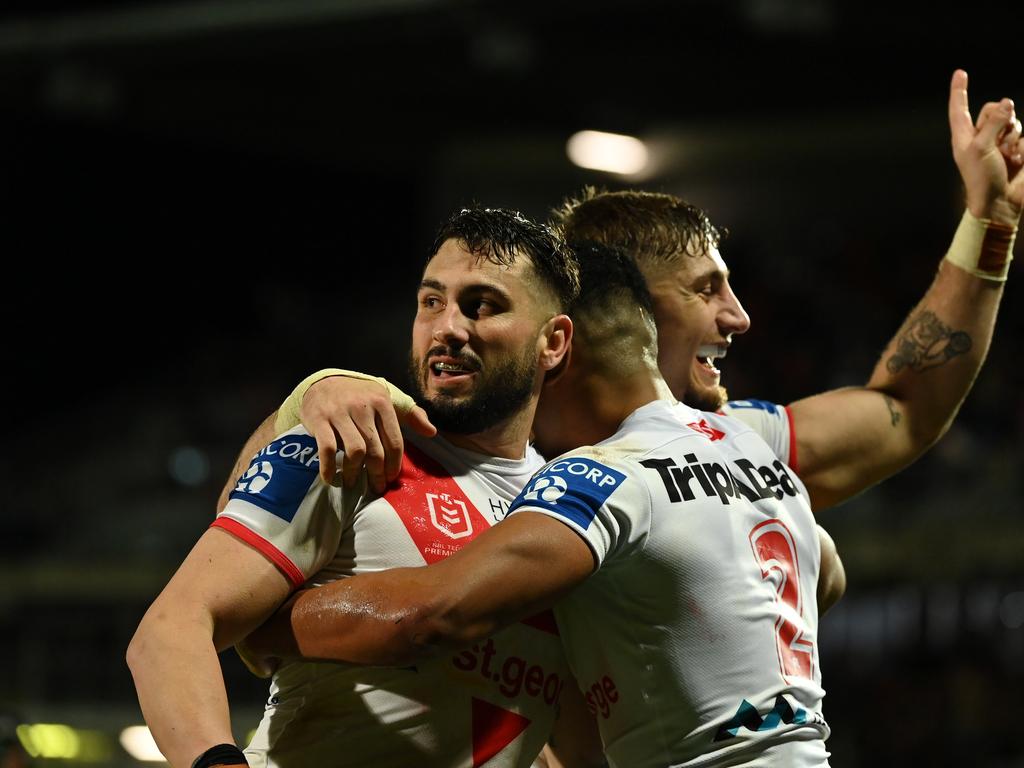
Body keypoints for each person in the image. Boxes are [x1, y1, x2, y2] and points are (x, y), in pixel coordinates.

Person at [280, 70, 1020, 516]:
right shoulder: (474, 441)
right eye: (708, 290)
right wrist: (313, 393)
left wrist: (990, 224)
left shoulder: (736, 447)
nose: (740, 317)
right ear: (630, 306)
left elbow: (904, 409)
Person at [240, 241, 832, 766]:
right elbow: (827, 575)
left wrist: (261, 620)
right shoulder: (749, 445)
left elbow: (433, 615)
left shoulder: (601, 474)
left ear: (557, 355)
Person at [127, 207, 584, 768]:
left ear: (554, 342)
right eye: (431, 302)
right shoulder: (351, 446)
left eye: (482, 306)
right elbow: (170, 630)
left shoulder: (571, 506)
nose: (447, 328)